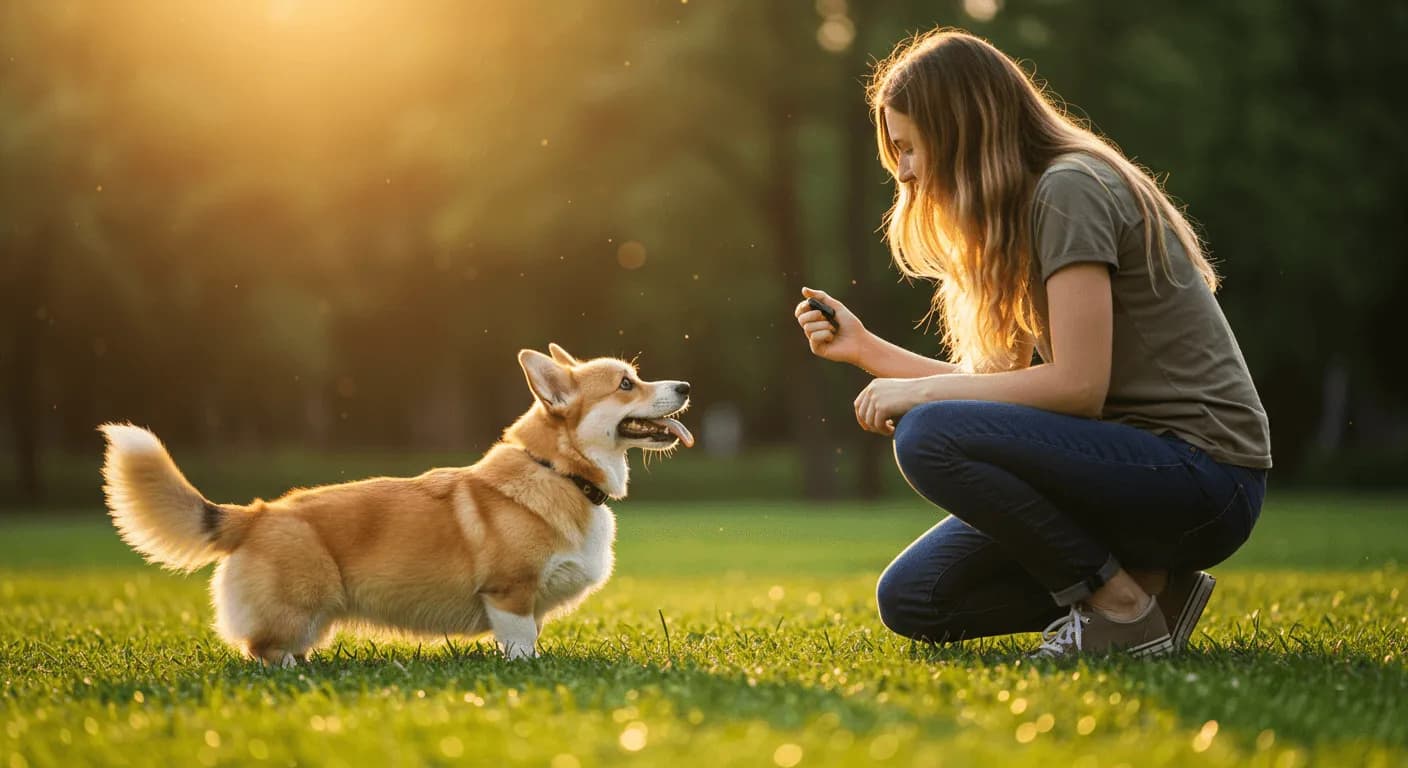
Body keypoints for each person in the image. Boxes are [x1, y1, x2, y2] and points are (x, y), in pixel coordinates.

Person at [794, 28, 1270, 658]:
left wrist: (918, 398)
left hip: (1203, 477)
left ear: (960, 128)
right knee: (916, 597)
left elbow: (1077, 387)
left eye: (908, 148)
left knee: (927, 433)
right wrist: (866, 352)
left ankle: (1120, 610)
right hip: (1130, 470)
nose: (904, 172)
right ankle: (1158, 594)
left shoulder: (1070, 188)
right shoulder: (1017, 217)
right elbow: (994, 397)